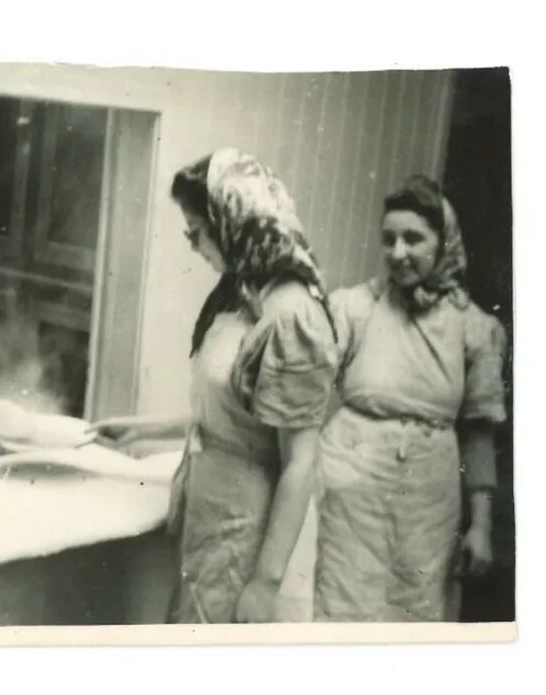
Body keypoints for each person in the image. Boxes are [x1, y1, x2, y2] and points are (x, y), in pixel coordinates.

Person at [90, 148, 338, 623]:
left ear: (233, 218)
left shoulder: (292, 316)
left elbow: (300, 463)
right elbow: (231, 412)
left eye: (196, 231)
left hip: (251, 525)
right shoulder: (239, 294)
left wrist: (265, 584)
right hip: (214, 512)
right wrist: (140, 430)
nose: (192, 244)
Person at [314, 175, 507, 622]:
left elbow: (478, 434)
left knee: (415, 606)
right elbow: (303, 379)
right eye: (389, 240)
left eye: (413, 238)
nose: (398, 253)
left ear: (443, 242)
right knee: (343, 605)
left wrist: (480, 525)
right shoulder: (356, 308)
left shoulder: (473, 327)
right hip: (350, 486)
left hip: (428, 496)